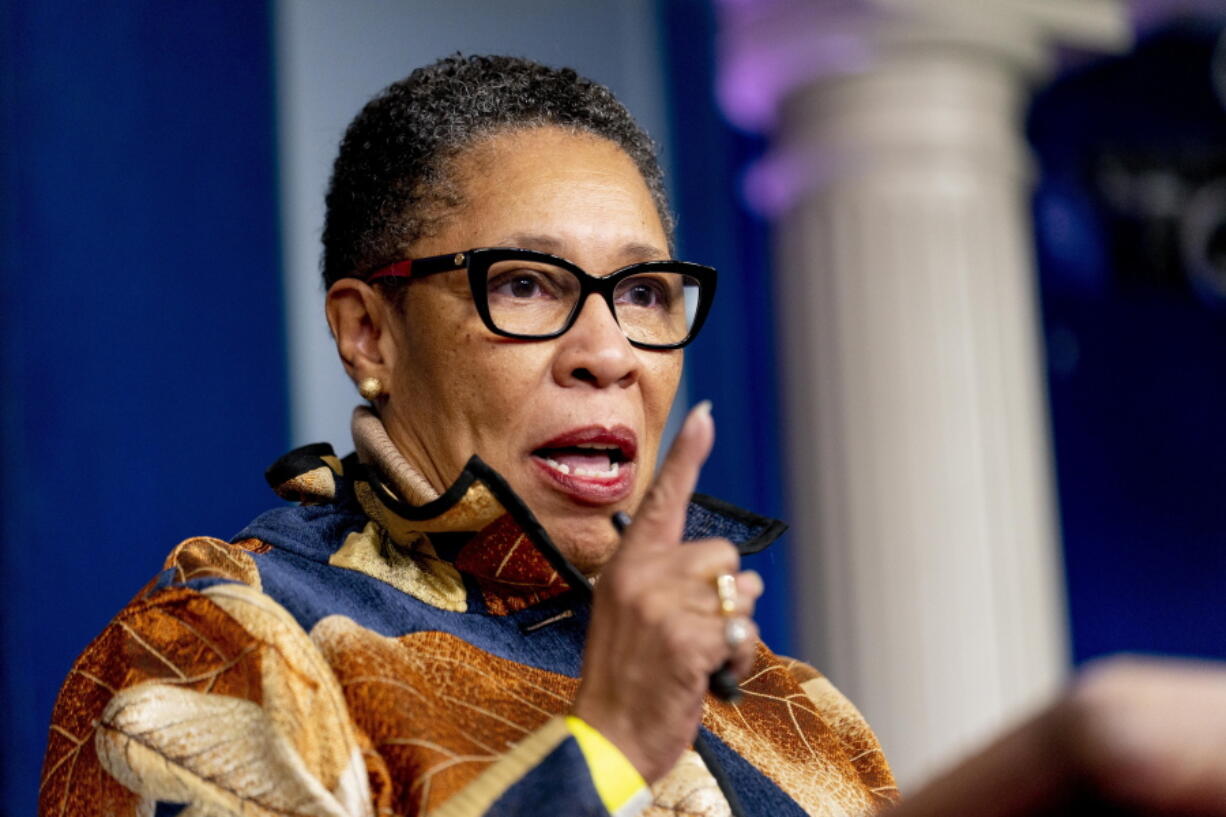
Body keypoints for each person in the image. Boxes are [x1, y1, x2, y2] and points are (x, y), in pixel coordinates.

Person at [39, 54, 1226, 817]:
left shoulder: (793, 708)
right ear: (369, 333)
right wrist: (601, 744)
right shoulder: (218, 644)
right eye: (526, 284)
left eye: (646, 294)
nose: (606, 349)